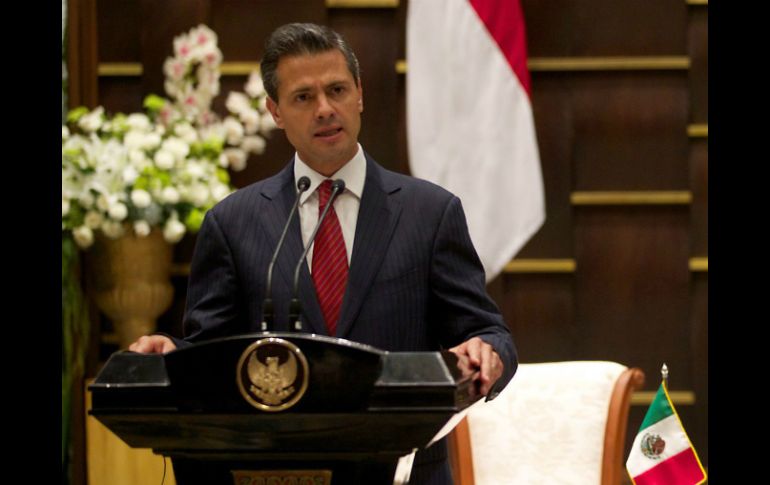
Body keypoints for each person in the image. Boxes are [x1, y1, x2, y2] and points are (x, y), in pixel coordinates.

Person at [129, 22, 517, 484]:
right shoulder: (232, 223)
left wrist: (488, 353)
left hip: (403, 472)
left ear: (360, 94)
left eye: (337, 90)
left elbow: (487, 331)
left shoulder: (430, 213)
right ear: (275, 111)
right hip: (276, 471)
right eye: (303, 97)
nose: (325, 109)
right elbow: (210, 353)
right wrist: (172, 355)